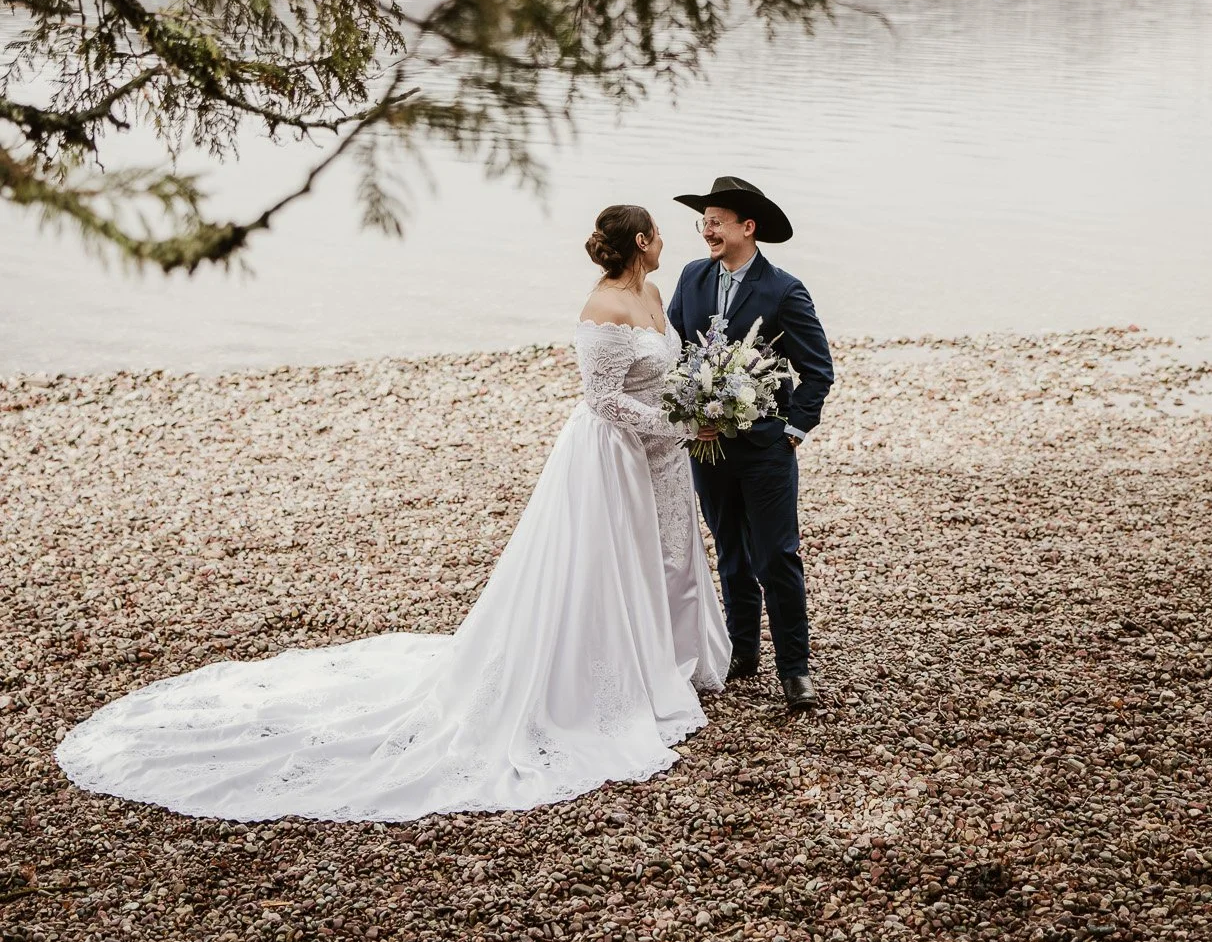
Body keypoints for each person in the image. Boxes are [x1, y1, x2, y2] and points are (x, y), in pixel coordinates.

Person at [55, 206, 730, 821]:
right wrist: (682, 422)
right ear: (641, 242)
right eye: (658, 233)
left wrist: (692, 407)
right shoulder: (602, 309)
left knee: (664, 552)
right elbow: (601, 401)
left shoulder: (649, 294)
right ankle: (602, 680)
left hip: (660, 454)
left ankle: (668, 662)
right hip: (611, 453)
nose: (667, 240)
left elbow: (661, 372)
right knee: (604, 560)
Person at [668, 175, 834, 712]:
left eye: (716, 221)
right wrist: (691, 413)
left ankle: (795, 669)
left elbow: (818, 371)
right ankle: (742, 652)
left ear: (748, 226)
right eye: (704, 221)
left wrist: (792, 430)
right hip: (707, 448)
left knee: (777, 557)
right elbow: (673, 352)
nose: (707, 230)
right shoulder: (692, 277)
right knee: (731, 555)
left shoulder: (785, 290)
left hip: (765, 450)